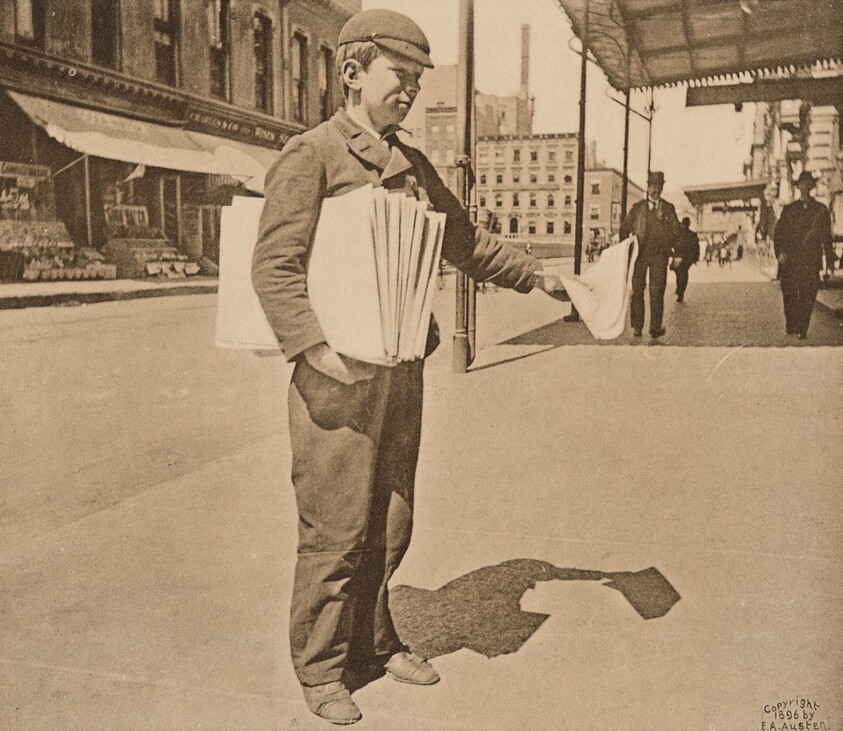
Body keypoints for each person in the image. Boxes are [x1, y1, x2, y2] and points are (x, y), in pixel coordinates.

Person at [250, 9, 563, 725]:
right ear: (354, 72)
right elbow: (273, 267)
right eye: (401, 76)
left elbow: (465, 241)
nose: (412, 91)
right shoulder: (313, 155)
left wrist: (536, 276)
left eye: (420, 80)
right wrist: (314, 348)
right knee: (334, 530)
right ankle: (322, 667)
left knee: (390, 520)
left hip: (398, 369)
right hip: (335, 375)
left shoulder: (413, 164)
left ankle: (372, 641)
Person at [619, 170, 681, 340]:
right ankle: (637, 327)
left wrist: (678, 254)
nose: (655, 189)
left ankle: (654, 328)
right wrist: (625, 249)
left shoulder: (669, 208)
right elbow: (624, 228)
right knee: (637, 291)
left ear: (661, 188)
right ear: (647, 187)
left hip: (660, 256)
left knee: (657, 291)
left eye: (658, 186)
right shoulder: (637, 208)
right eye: (652, 186)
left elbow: (676, 232)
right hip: (639, 256)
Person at [773, 170, 832, 339]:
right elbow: (779, 234)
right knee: (790, 293)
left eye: (808, 184)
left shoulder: (821, 210)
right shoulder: (789, 210)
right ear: (798, 187)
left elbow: (826, 237)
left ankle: (802, 327)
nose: (805, 187)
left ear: (812, 187)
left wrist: (829, 261)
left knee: (808, 293)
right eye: (802, 184)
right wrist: (780, 252)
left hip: (811, 259)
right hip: (790, 259)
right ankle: (792, 323)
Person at [671, 217, 700, 302]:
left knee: (680, 274)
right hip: (687, 258)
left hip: (680, 257)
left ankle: (680, 290)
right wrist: (695, 258)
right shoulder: (692, 234)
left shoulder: (677, 234)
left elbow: (672, 244)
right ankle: (681, 290)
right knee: (683, 274)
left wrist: (673, 252)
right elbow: (696, 248)